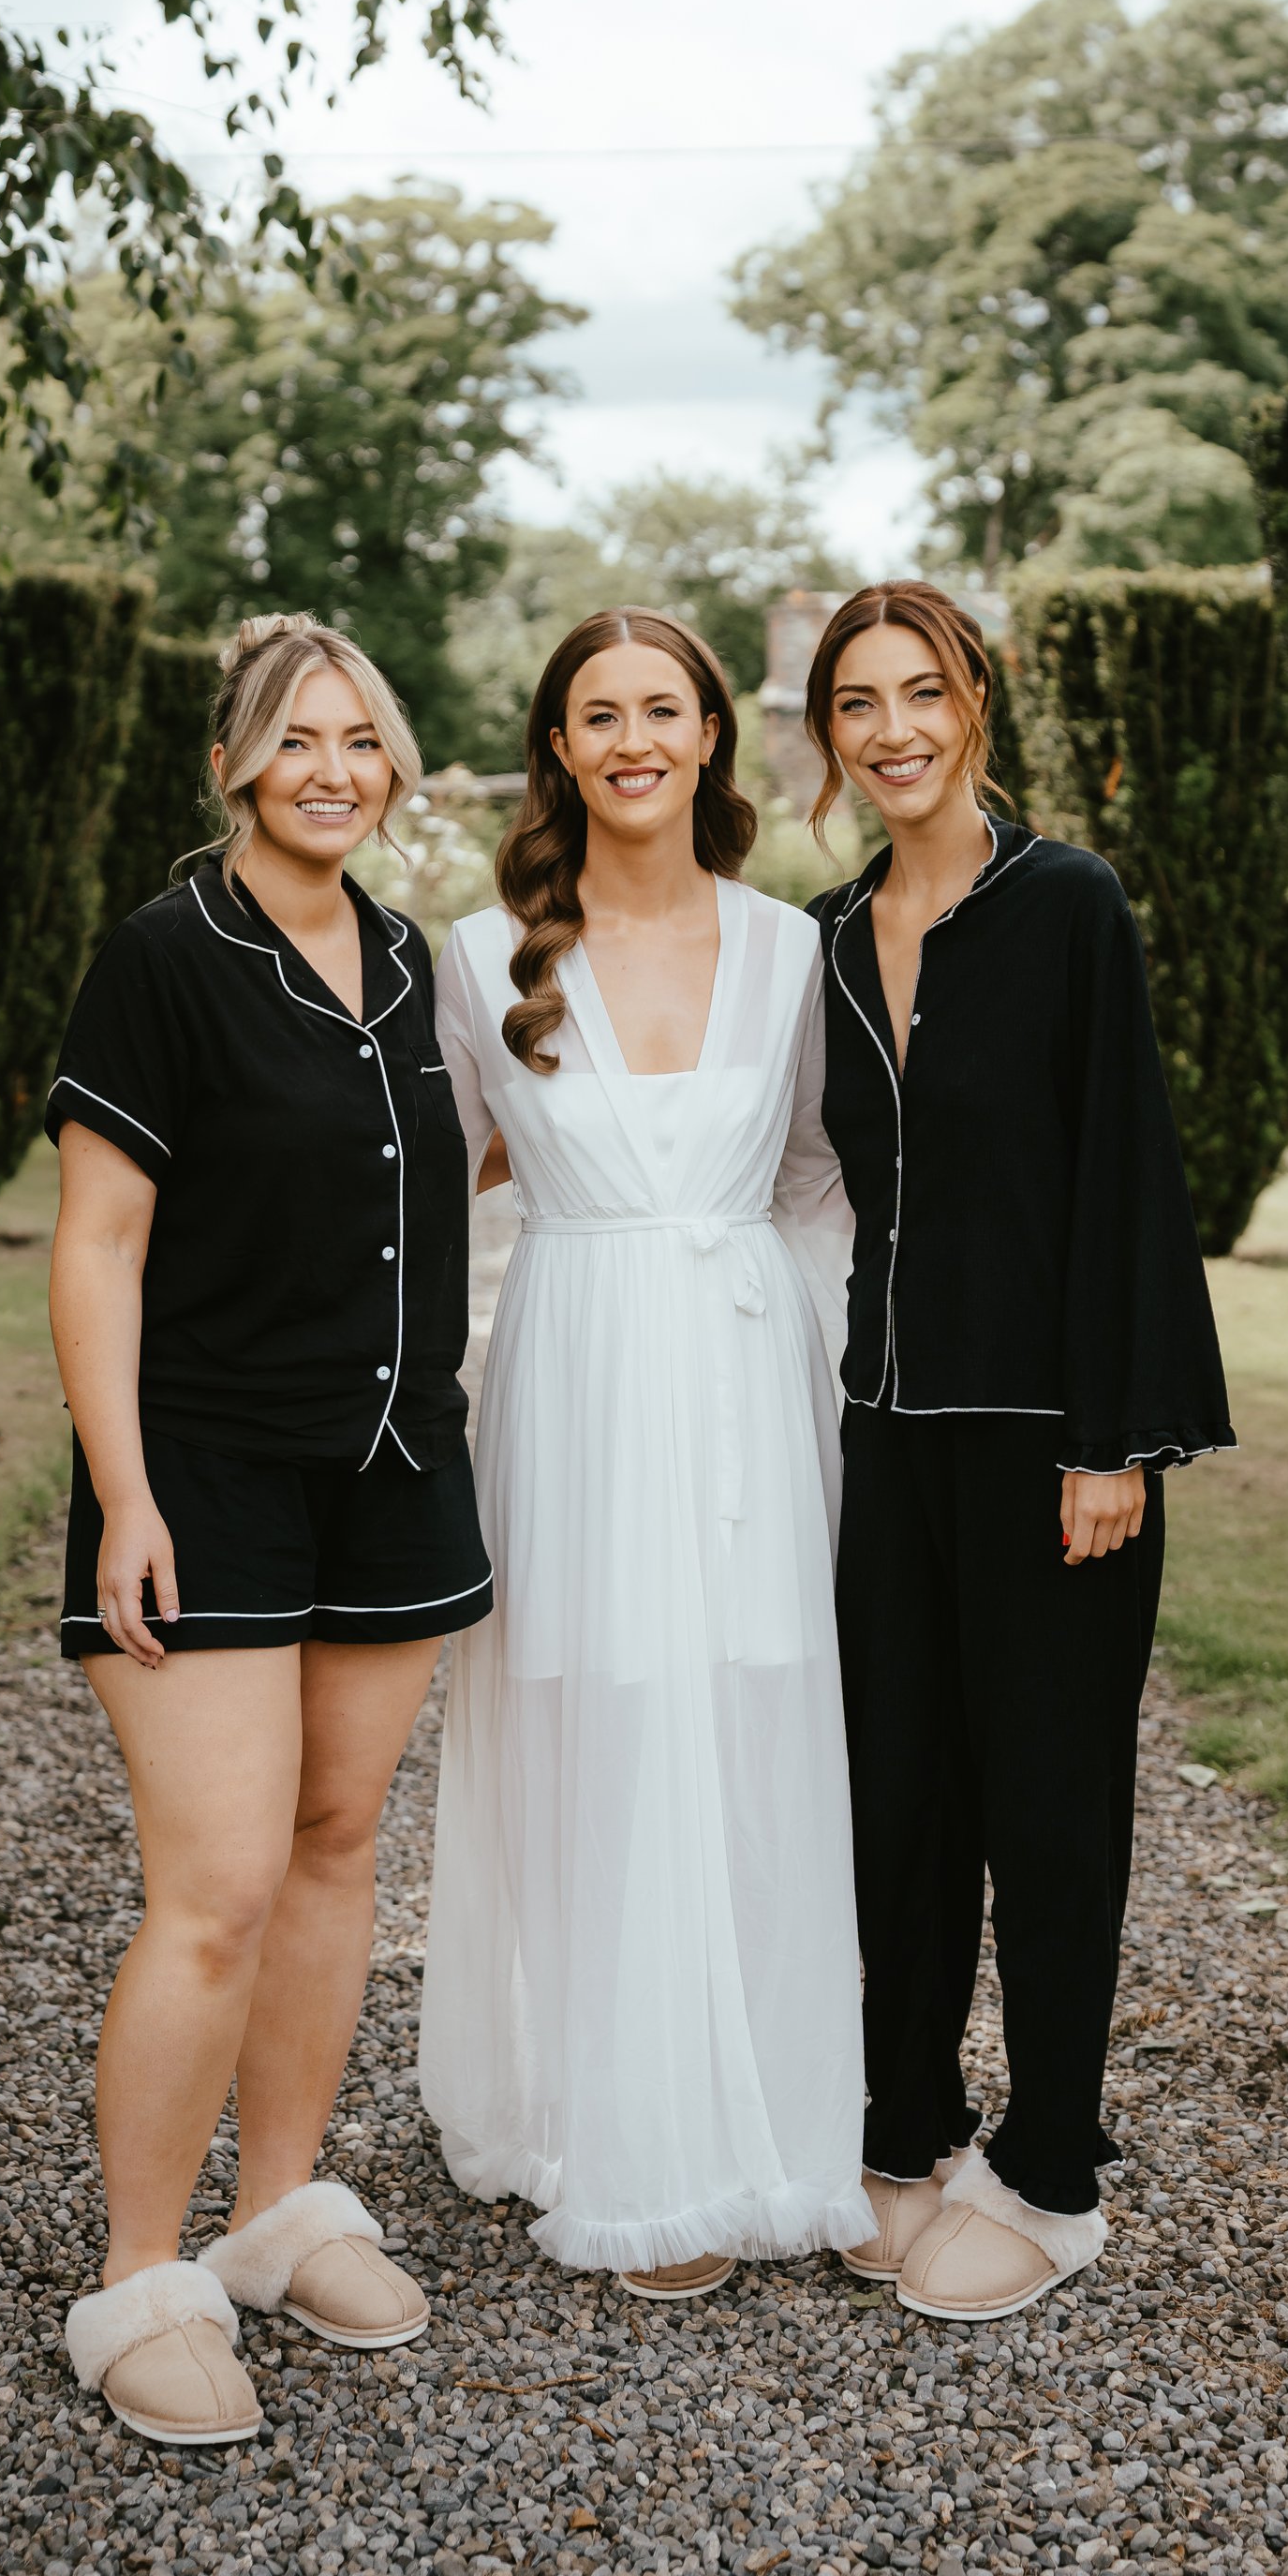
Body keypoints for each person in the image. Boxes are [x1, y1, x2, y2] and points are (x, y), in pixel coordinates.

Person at [45, 614, 492, 2445]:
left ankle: (280, 2210)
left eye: (361, 741)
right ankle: (138, 2278)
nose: (333, 768)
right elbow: (98, 1244)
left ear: (391, 767)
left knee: (330, 1849)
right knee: (213, 1890)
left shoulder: (415, 967)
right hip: (207, 1468)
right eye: (297, 740)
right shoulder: (166, 957)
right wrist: (127, 1496)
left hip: (389, 1464)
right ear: (238, 763)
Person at [418, 610, 873, 2297]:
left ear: (706, 739)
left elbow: (821, 1169)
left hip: (749, 1370)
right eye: (594, 713)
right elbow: (427, 1171)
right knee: (595, 1709)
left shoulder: (789, 949)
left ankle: (760, 2112)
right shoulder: (477, 961)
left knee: (751, 1705)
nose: (629, 739)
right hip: (579, 1366)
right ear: (557, 746)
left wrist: (790, 1330)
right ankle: (614, 2128)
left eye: (659, 709)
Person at [803, 580, 1233, 2324]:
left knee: (1051, 1812)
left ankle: (1055, 2168)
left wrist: (1112, 1439)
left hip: (1056, 1449)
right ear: (825, 731)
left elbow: (1125, 1171)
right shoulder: (828, 935)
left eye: (923, 691)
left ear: (976, 701)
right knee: (897, 1801)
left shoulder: (1066, 905)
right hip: (885, 1445)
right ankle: (905, 2125)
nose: (892, 727)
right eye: (857, 701)